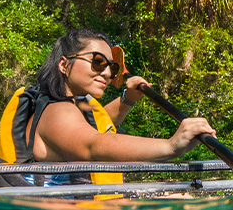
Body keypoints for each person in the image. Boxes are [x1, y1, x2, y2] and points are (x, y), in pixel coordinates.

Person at [24, 28, 214, 163]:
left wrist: (128, 98)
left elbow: (102, 121)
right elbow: (93, 145)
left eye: (112, 67)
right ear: (64, 65)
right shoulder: (57, 111)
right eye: (98, 62)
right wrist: (171, 146)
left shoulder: (75, 105)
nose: (107, 73)